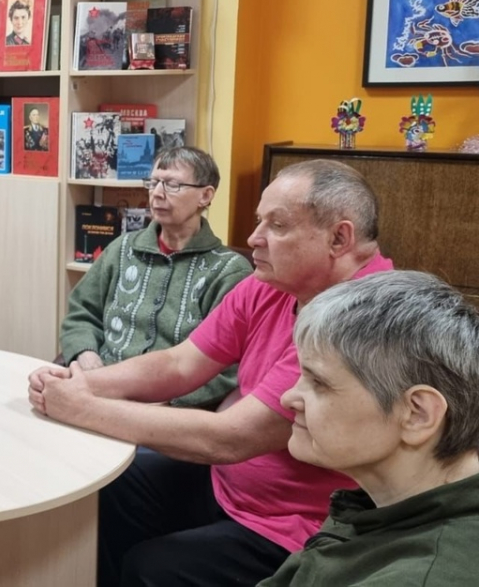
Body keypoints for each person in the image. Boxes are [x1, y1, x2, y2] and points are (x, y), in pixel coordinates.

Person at [29, 159, 394, 587]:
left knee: (151, 568)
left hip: (294, 526)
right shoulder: (272, 283)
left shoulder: (361, 321)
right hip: (227, 487)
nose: (253, 238)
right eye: (259, 221)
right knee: (109, 491)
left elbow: (231, 438)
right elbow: (180, 363)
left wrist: (82, 408)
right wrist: (82, 384)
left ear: (339, 238)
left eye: (277, 226)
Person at [258, 270, 479, 587]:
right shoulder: (388, 505)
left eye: (319, 383)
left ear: (417, 414)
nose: (288, 398)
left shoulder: (419, 577)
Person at [59, 147, 251, 407]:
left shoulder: (229, 271)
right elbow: (82, 313)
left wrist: (165, 404)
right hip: (98, 387)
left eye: (172, 185)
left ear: (205, 195)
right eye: (153, 182)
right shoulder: (122, 248)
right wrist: (87, 356)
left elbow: (230, 368)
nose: (157, 193)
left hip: (167, 411)